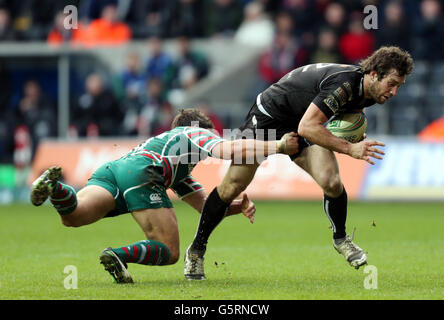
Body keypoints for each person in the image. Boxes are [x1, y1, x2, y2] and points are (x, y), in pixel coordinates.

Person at [184, 46, 414, 280]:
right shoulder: (343, 86)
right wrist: (348, 148)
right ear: (374, 74)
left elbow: (321, 122)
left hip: (302, 121)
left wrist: (348, 136)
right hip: (269, 116)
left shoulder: (371, 92)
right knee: (232, 186)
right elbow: (308, 127)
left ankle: (341, 239)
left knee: (331, 181)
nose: (394, 91)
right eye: (392, 83)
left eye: (399, 86)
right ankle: (196, 250)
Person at [30, 108, 299, 283]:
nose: (205, 153)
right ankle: (119, 254)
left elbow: (204, 206)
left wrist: (236, 206)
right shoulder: (192, 132)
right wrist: (277, 145)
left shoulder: (178, 166)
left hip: (115, 170)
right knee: (169, 251)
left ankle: (55, 189)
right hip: (143, 172)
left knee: (74, 216)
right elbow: (229, 150)